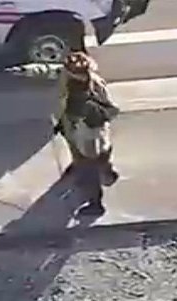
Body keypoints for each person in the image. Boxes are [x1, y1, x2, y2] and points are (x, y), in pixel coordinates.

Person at [54, 51, 119, 216]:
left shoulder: (95, 85)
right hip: (73, 126)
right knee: (81, 152)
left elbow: (110, 108)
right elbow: (63, 101)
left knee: (90, 166)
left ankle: (96, 203)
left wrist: (93, 115)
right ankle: (101, 169)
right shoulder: (67, 80)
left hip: (90, 132)